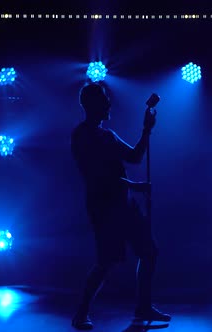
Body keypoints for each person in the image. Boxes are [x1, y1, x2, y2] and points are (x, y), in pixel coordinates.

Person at [70, 82, 171, 330]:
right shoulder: (82, 136)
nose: (108, 104)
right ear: (92, 104)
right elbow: (96, 176)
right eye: (104, 100)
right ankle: (80, 313)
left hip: (124, 204)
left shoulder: (108, 135)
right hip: (104, 207)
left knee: (148, 252)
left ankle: (143, 306)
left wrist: (146, 130)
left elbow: (135, 157)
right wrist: (136, 186)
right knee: (106, 261)